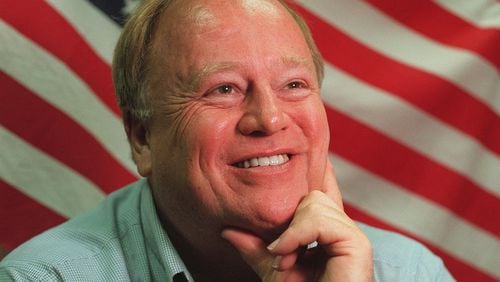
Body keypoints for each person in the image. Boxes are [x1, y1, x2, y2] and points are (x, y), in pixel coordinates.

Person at [0, 0, 454, 281]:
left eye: (294, 85)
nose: (269, 118)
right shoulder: (43, 277)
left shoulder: (407, 272)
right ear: (143, 140)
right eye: (223, 89)